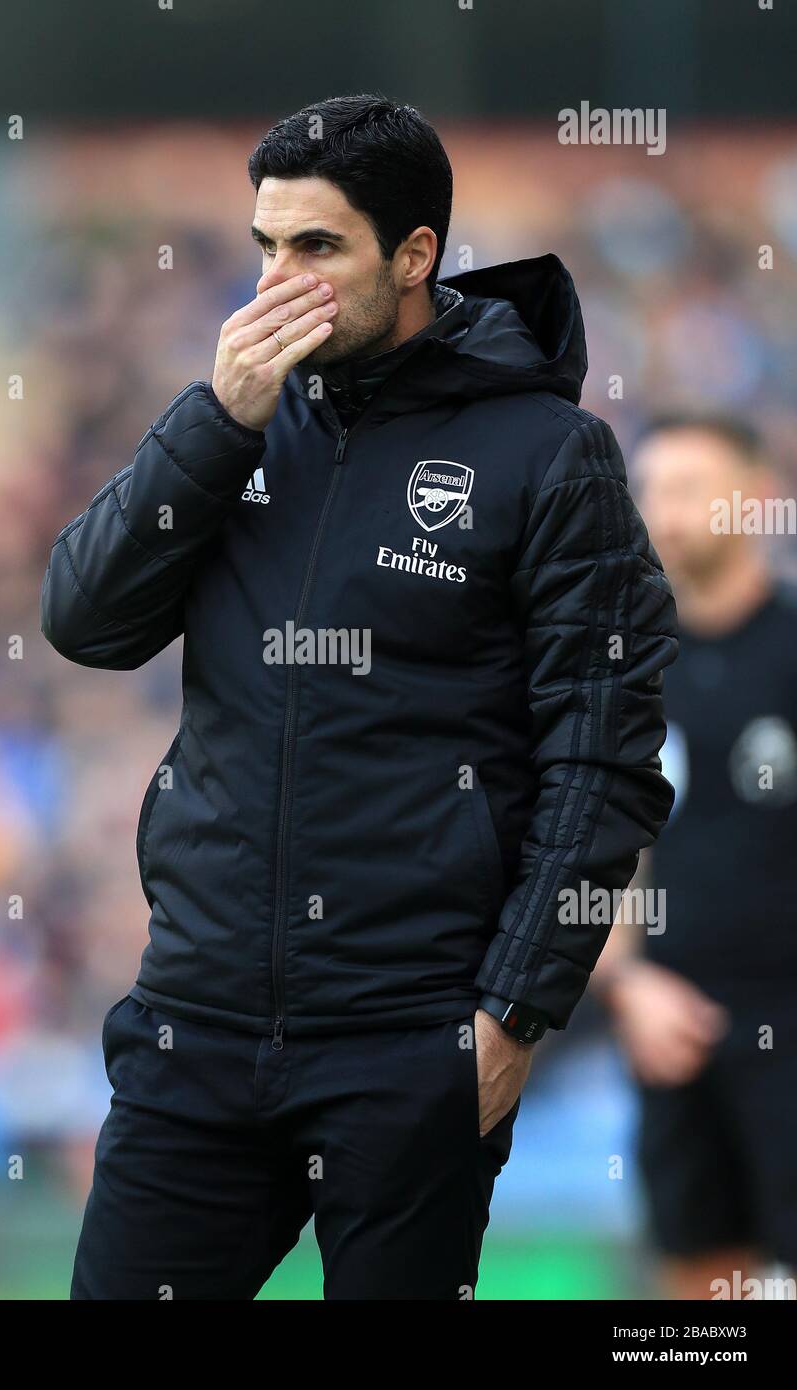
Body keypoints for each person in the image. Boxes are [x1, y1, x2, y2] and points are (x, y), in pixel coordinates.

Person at [40, 94, 678, 1300]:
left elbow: (605, 763)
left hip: (412, 1040)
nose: (277, 283)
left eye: (318, 249)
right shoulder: (233, 425)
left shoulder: (545, 453)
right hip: (198, 1025)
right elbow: (83, 622)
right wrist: (213, 424)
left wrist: (512, 1016)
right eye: (265, 248)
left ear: (416, 254)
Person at [593, 413, 797, 1300]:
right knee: (700, 1282)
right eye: (650, 493)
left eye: (687, 490)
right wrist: (627, 983)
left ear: (755, 502)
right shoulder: (619, 667)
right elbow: (597, 852)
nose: (662, 514)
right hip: (672, 1029)